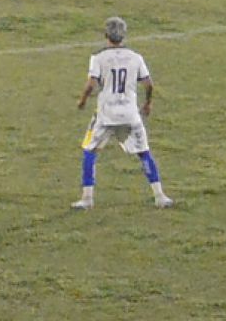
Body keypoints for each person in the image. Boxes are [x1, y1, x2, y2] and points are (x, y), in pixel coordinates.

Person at [72, 15, 172, 209]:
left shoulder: (98, 58)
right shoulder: (136, 57)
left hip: (105, 115)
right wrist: (148, 104)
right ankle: (160, 195)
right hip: (130, 114)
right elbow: (149, 84)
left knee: (89, 151)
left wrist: (82, 100)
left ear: (105, 35)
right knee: (144, 152)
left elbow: (91, 84)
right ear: (124, 36)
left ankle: (87, 198)